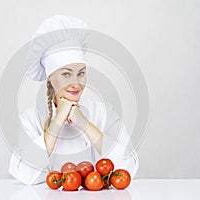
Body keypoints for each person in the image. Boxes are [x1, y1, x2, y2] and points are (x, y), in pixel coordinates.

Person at [9, 15, 139, 185]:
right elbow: (25, 174)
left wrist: (84, 123)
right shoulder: (31, 118)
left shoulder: (102, 112)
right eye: (66, 74)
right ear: (50, 77)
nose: (76, 83)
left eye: (81, 73)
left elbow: (128, 167)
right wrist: (57, 121)